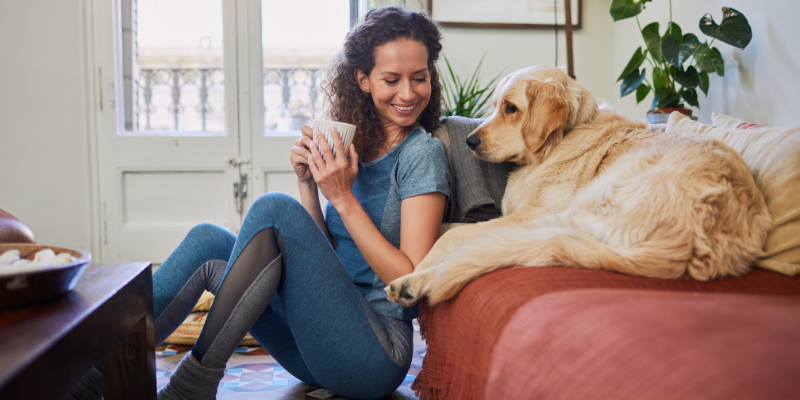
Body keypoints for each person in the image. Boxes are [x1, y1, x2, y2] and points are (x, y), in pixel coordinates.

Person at [69, 6, 450, 400]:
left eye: (419, 78)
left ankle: (194, 383)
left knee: (273, 209)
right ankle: (91, 374)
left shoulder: (422, 155)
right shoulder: (354, 147)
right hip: (316, 346)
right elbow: (333, 261)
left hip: (374, 355)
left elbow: (411, 282)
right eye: (392, 79)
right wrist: (309, 187)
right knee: (208, 242)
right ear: (363, 80)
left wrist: (341, 197)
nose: (408, 92)